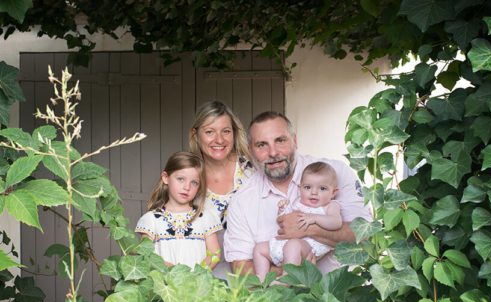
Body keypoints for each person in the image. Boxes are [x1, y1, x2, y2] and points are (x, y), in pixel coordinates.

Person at [224, 111, 370, 275]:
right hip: (275, 299)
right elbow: (240, 267)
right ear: (251, 150)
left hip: (343, 297)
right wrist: (293, 273)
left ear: (295, 140)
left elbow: (365, 234)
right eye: (261, 145)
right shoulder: (242, 200)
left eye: (280, 140)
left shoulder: (336, 174)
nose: (273, 153)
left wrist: (308, 229)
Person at [189, 101, 255, 277]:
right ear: (196, 135)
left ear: (234, 133)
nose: (219, 140)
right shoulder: (186, 175)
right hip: (201, 273)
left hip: (249, 271)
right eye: (210, 132)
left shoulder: (251, 171)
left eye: (226, 131)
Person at [253, 162, 342, 281]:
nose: (314, 192)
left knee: (293, 244)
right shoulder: (298, 203)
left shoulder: (330, 206)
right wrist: (282, 211)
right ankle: (261, 280)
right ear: (300, 188)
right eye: (307, 187)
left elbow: (336, 222)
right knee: (259, 248)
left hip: (308, 248)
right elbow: (284, 223)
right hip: (284, 246)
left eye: (322, 188)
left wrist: (314, 217)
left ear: (333, 193)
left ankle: (287, 279)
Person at [135, 151, 222, 269]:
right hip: (164, 284)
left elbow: (215, 254)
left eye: (194, 183)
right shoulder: (151, 219)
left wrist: (195, 275)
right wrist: (171, 272)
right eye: (181, 179)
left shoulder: (205, 218)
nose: (187, 187)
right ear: (166, 178)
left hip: (197, 285)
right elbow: (146, 255)